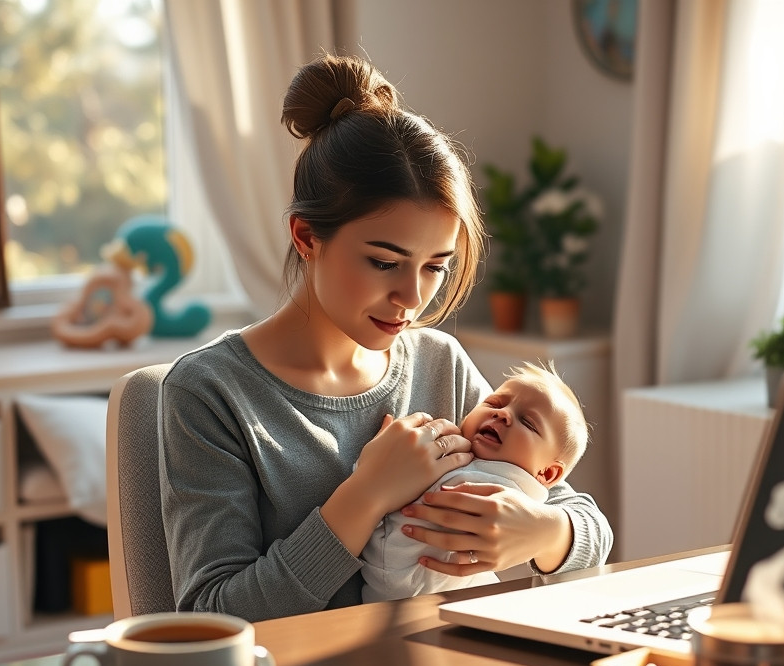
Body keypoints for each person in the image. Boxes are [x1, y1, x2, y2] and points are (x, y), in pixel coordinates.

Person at [157, 54, 612, 622]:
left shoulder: (438, 364)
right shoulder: (211, 392)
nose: (412, 298)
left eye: (435, 266)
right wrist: (364, 496)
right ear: (306, 236)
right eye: (383, 261)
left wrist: (541, 533)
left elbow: (589, 526)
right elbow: (213, 617)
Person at [360, 362, 590, 602]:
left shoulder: (516, 492)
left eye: (529, 423)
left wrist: (549, 531)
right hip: (388, 591)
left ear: (547, 474)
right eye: (493, 403)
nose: (502, 414)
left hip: (443, 596)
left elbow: (590, 524)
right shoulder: (443, 446)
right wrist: (373, 468)